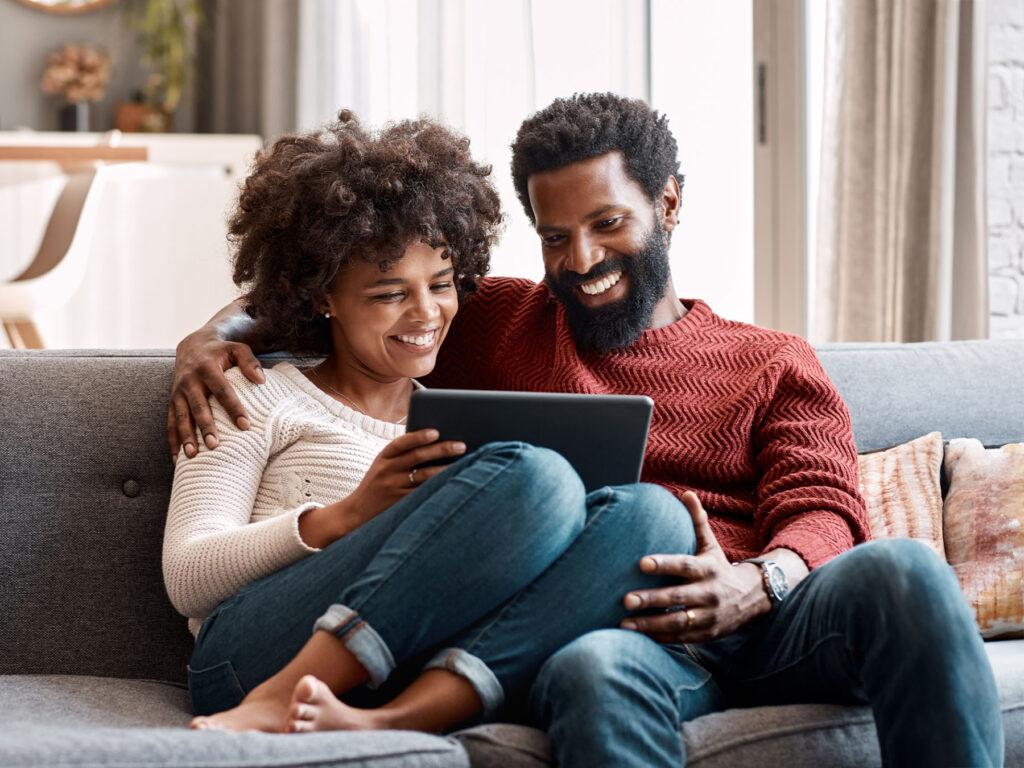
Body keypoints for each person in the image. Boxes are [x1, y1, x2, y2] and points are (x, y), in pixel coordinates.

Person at [169, 94, 1003, 766]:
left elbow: (825, 508)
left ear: (668, 203)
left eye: (608, 224)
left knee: (904, 572)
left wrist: (758, 582)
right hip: (623, 629)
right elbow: (355, 277)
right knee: (594, 663)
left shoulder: (773, 361)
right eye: (555, 236)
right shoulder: (497, 318)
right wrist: (210, 340)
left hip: (763, 612)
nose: (582, 259)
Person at [164, 110, 702, 736]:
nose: (426, 315)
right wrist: (347, 515)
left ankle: (398, 720)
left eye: (442, 284)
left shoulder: (451, 404)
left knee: (654, 514)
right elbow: (187, 576)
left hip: (404, 669)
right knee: (536, 474)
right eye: (389, 293)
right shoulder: (247, 392)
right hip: (248, 658)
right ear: (322, 297)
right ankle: (279, 697)